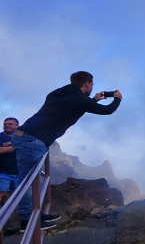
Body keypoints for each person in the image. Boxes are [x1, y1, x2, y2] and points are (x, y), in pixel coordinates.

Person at [12, 71, 122, 232]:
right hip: (32, 140)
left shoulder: (57, 94)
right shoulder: (77, 99)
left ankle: (35, 214)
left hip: (29, 137)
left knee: (32, 181)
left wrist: (92, 100)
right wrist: (117, 99)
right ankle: (27, 221)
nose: (92, 88)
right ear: (87, 84)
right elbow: (107, 111)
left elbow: (73, 108)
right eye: (92, 85)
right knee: (27, 182)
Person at [0, 117, 20, 198]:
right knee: (2, 194)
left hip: (20, 173)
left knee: (20, 195)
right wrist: (17, 146)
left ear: (17, 126)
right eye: (5, 124)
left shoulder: (21, 136)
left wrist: (7, 147)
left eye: (10, 124)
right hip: (2, 173)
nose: (7, 125)